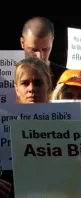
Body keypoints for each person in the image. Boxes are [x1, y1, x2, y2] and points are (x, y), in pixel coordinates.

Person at [1, 56, 53, 198]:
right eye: (25, 83)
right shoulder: (2, 124)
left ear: (48, 86)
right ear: (16, 89)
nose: (32, 89)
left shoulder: (68, 121)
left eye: (38, 83)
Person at [20, 16, 67, 89]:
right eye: (34, 49)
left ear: (52, 42)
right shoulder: (8, 74)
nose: (39, 56)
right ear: (22, 43)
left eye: (45, 49)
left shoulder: (65, 77)